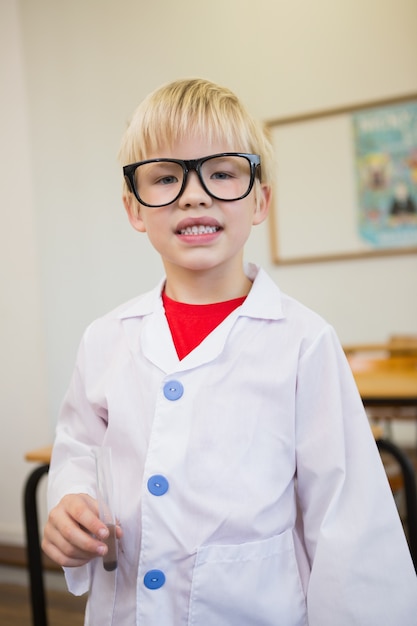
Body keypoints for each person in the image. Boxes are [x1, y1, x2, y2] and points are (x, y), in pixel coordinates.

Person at [42, 78, 417, 625]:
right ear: (134, 209)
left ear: (260, 199)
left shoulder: (304, 342)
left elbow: (349, 521)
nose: (195, 194)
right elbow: (78, 444)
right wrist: (69, 501)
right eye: (166, 177)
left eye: (221, 172)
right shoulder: (106, 337)